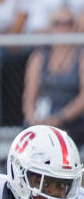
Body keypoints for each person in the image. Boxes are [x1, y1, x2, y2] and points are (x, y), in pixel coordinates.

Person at [23, 8, 84, 144]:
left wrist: (59, 118)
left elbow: (82, 99)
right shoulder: (39, 57)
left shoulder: (81, 57)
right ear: (51, 27)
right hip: (42, 119)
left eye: (68, 23)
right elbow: (29, 95)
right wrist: (33, 120)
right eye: (58, 23)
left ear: (74, 27)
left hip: (72, 122)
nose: (63, 28)